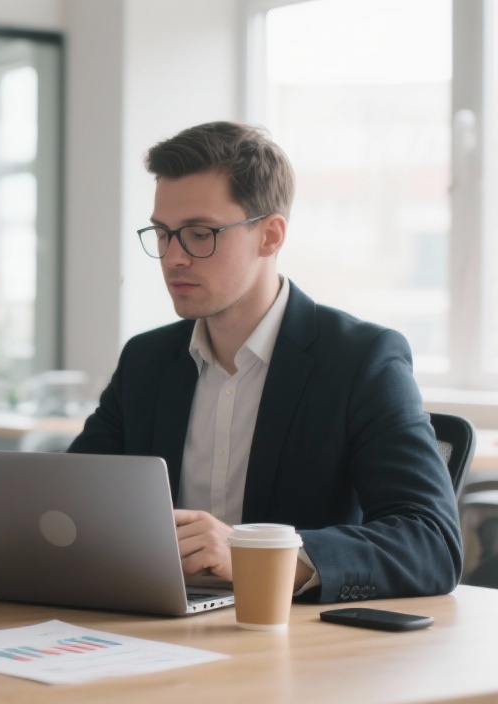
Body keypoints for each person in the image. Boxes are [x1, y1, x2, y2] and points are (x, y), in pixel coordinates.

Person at [68, 121, 461, 602]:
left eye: (199, 233)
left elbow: (432, 543)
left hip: (293, 646)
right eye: (163, 233)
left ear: (270, 236)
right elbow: (71, 507)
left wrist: (253, 554)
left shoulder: (361, 360)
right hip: (152, 626)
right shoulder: (146, 361)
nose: (172, 258)